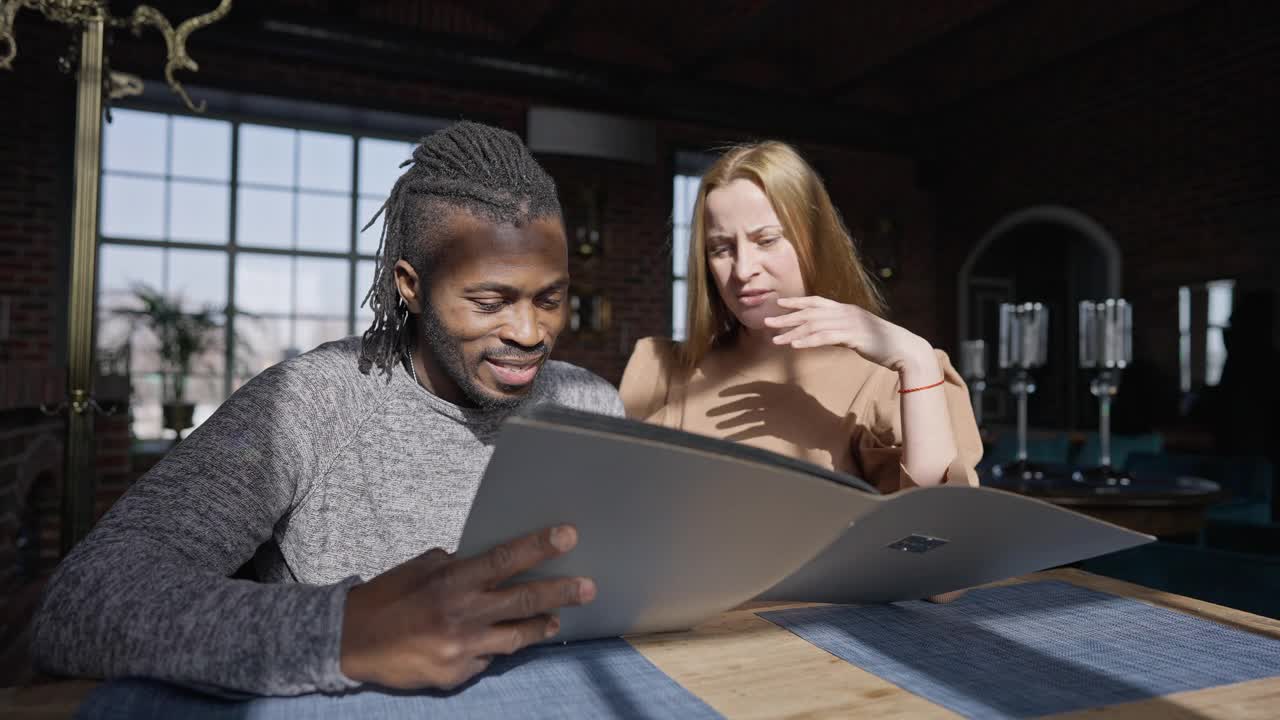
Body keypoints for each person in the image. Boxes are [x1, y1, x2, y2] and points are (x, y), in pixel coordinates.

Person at [32, 122, 622, 696]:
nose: (529, 331)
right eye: (490, 301)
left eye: (551, 299)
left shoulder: (589, 402)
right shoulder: (314, 401)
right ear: (410, 287)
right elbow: (82, 599)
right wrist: (346, 632)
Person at [621, 141, 982, 494]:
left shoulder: (889, 381)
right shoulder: (661, 370)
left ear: (816, 242)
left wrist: (917, 362)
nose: (744, 270)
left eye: (767, 240)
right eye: (721, 248)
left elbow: (935, 531)